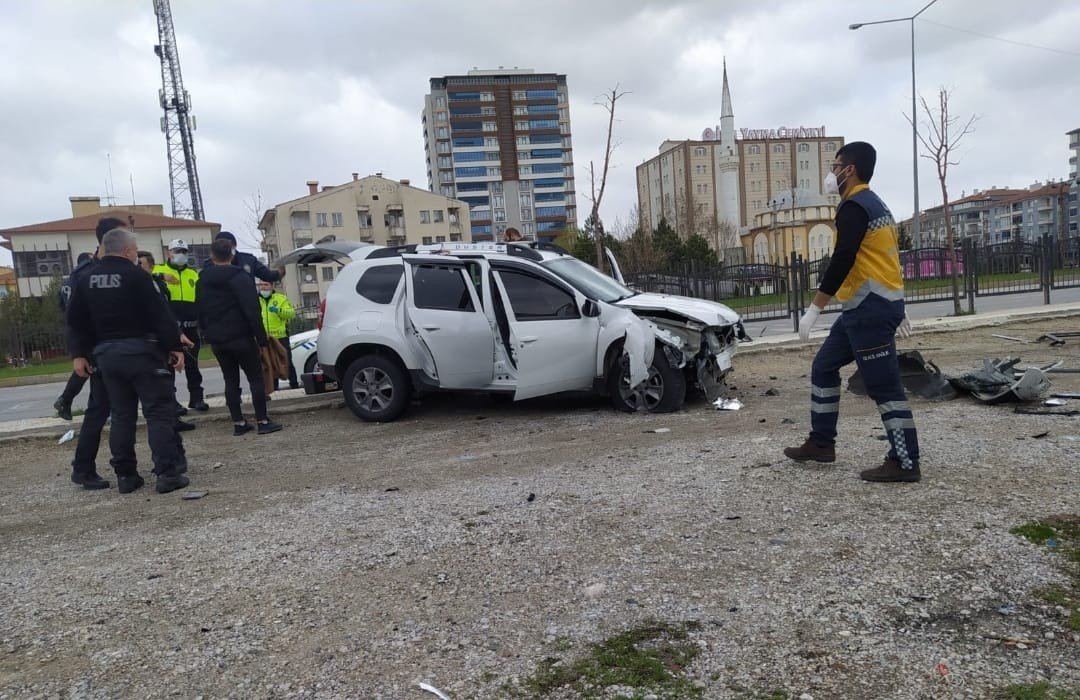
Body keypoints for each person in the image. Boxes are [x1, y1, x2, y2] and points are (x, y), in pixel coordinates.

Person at [783, 141, 919, 483]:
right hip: (864, 309)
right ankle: (821, 443)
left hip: (870, 311)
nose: (832, 172)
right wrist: (897, 306)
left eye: (836, 164)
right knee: (824, 366)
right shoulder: (875, 206)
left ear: (851, 170)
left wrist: (815, 308)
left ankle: (905, 462)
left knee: (884, 386)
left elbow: (843, 258)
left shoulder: (854, 207)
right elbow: (885, 258)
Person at [67, 228, 190, 494]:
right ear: (127, 251)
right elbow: (160, 314)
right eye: (134, 249)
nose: (136, 253)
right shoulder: (137, 276)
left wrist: (79, 353)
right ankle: (167, 473)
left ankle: (126, 476)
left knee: (122, 416)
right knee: (157, 412)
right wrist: (174, 346)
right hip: (142, 352)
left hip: (106, 356)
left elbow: (75, 320)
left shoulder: (85, 279)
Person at [64, 218, 127, 489]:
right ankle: (84, 467)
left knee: (107, 409)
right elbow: (74, 318)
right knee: (98, 410)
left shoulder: (104, 269)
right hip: (99, 351)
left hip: (118, 349)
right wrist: (80, 353)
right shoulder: (88, 274)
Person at [197, 238, 283, 435]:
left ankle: (239, 423)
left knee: (230, 380)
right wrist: (261, 338)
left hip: (217, 339)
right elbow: (252, 310)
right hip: (241, 336)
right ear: (232, 255)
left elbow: (199, 308)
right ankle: (262, 420)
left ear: (212, 256)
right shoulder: (239, 277)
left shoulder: (202, 279)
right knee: (255, 378)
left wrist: (206, 333)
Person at [139, 251, 196, 433]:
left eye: (141, 264)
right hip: (144, 342)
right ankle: (165, 421)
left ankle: (173, 418)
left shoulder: (157, 285)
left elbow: (165, 314)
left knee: (166, 379)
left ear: (151, 267)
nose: (137, 268)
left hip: (161, 340)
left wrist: (176, 337)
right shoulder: (138, 285)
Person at [153, 239, 208, 412]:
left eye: (184, 251)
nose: (181, 255)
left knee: (193, 364)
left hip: (191, 326)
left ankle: (196, 399)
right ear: (169, 253)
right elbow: (142, 277)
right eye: (177, 251)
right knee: (168, 365)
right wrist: (161, 277)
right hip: (170, 327)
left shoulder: (193, 274)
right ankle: (172, 402)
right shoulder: (159, 270)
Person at [53, 252, 95, 420]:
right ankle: (66, 399)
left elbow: (61, 305)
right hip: (87, 328)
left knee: (86, 367)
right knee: (92, 368)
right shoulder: (84, 277)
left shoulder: (66, 282)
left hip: (73, 328)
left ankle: (65, 400)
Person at [256, 280, 298, 390]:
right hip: (263, 338)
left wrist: (278, 310)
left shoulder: (280, 298)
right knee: (268, 363)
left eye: (266, 284)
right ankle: (274, 388)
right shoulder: (255, 300)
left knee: (286, 360)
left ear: (272, 286)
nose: (263, 287)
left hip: (280, 336)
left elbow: (291, 313)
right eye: (260, 285)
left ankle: (294, 385)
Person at [202, 231, 284, 283]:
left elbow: (267, 275)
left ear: (234, 246)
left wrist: (280, 272)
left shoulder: (249, 260)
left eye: (228, 246)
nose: (225, 250)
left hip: (245, 305)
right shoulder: (209, 265)